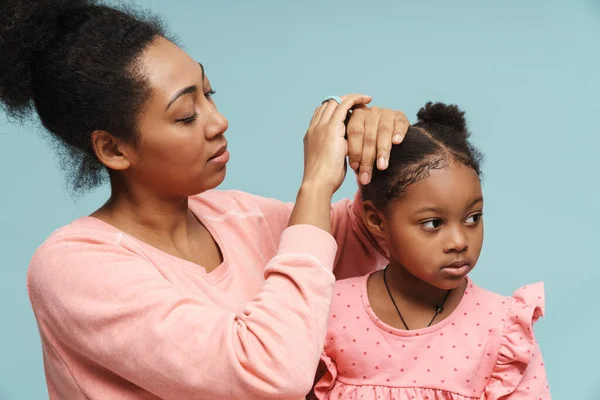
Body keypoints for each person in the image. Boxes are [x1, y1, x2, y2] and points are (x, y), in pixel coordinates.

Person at [0, 1, 410, 399]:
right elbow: (269, 372)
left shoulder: (236, 214)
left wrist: (379, 152)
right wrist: (316, 186)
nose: (218, 121)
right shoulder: (73, 267)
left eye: (209, 93)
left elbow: (375, 239)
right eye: (185, 115)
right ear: (113, 149)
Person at [313, 103, 551, 399]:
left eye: (472, 218)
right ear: (376, 221)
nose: (459, 241)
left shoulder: (502, 329)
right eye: (433, 223)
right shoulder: (330, 310)